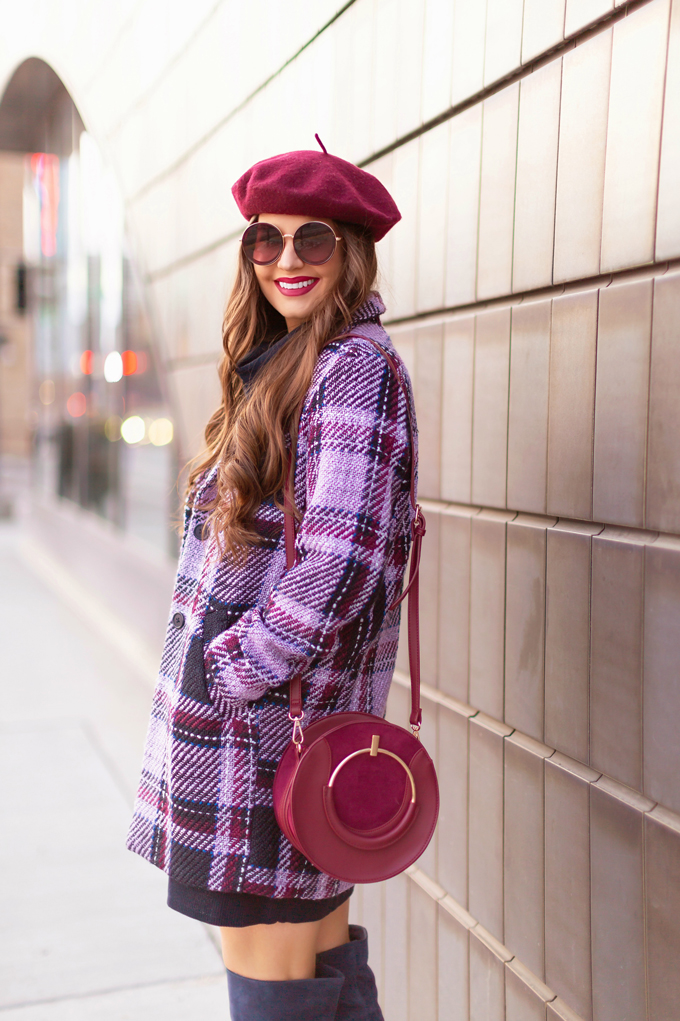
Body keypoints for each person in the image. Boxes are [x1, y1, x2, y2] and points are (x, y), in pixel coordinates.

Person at [126, 137, 416, 1021]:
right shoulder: (290, 363)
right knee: (317, 960)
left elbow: (343, 556)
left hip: (265, 741)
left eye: (313, 240)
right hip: (275, 738)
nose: (286, 260)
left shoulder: (351, 369)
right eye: (267, 240)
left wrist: (237, 669)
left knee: (273, 991)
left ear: (352, 253)